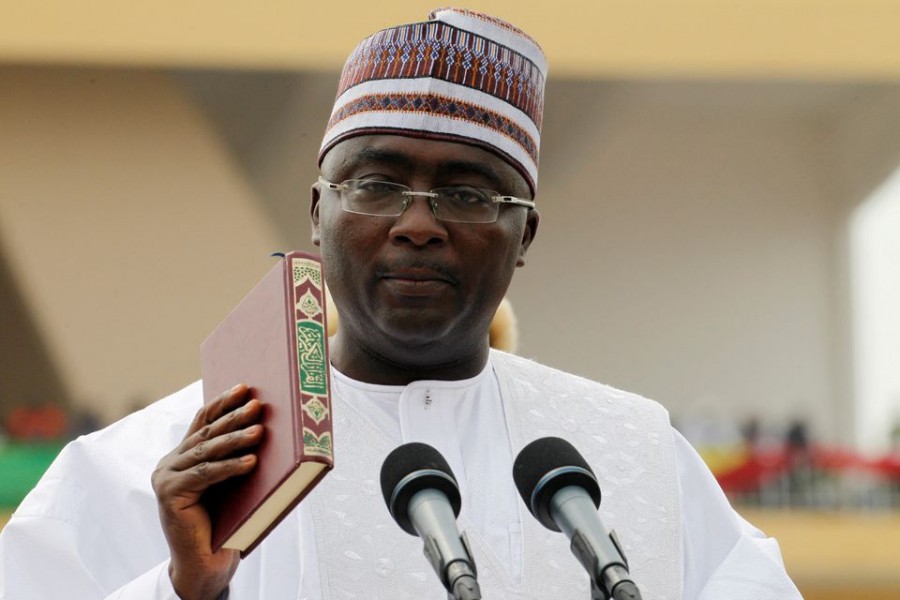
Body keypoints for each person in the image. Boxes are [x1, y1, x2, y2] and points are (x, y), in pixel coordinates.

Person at [0, 8, 802, 600]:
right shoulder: (164, 465)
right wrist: (182, 591)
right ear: (317, 212)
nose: (419, 225)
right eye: (378, 184)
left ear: (525, 235)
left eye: (468, 193)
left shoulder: (632, 455)